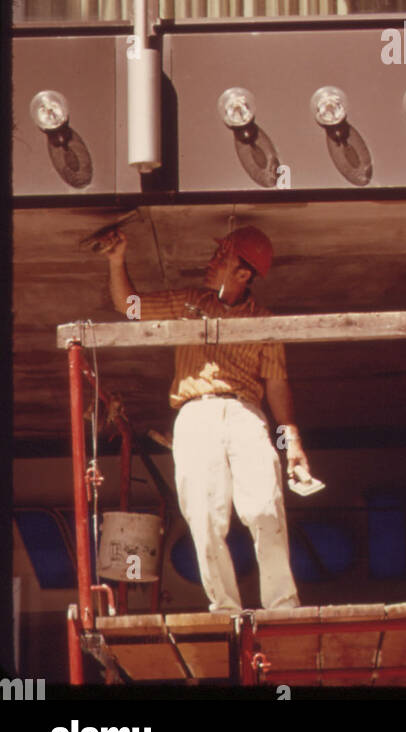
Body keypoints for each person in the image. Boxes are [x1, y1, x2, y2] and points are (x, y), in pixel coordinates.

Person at [99, 225, 307, 614]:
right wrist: (117, 260)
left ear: (243, 273)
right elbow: (131, 307)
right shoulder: (190, 302)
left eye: (221, 258)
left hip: (246, 413)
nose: (210, 263)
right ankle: (226, 607)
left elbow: (277, 384)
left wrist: (292, 441)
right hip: (195, 414)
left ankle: (283, 606)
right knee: (204, 515)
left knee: (265, 507)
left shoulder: (264, 320)